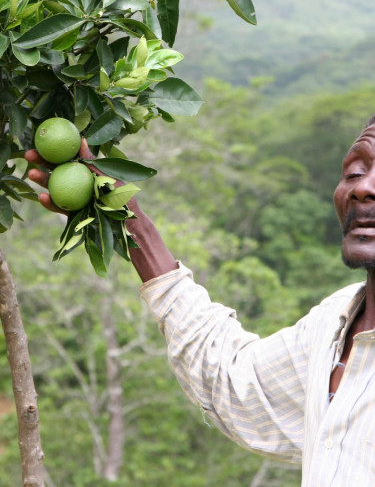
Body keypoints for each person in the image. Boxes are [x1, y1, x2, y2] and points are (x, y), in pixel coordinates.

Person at [25, 118, 375, 486]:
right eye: (354, 171)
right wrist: (130, 223)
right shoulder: (335, 325)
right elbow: (234, 380)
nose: (364, 188)